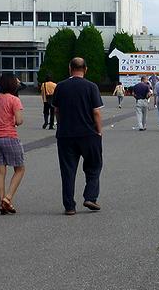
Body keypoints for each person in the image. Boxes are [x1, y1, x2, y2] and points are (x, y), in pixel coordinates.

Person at [53, 58, 104, 215]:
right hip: (88, 133)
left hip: (66, 134)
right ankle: (90, 197)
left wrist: (61, 125)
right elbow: (96, 112)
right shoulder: (91, 87)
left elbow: (56, 110)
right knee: (94, 166)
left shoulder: (60, 86)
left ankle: (69, 206)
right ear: (85, 69)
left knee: (68, 170)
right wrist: (99, 130)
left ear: (70, 68)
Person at [0, 73, 25, 215]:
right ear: (13, 84)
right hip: (10, 136)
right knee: (19, 169)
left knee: (0, 171)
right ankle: (8, 198)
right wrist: (14, 121)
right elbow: (19, 120)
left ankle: (2, 202)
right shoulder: (14, 100)